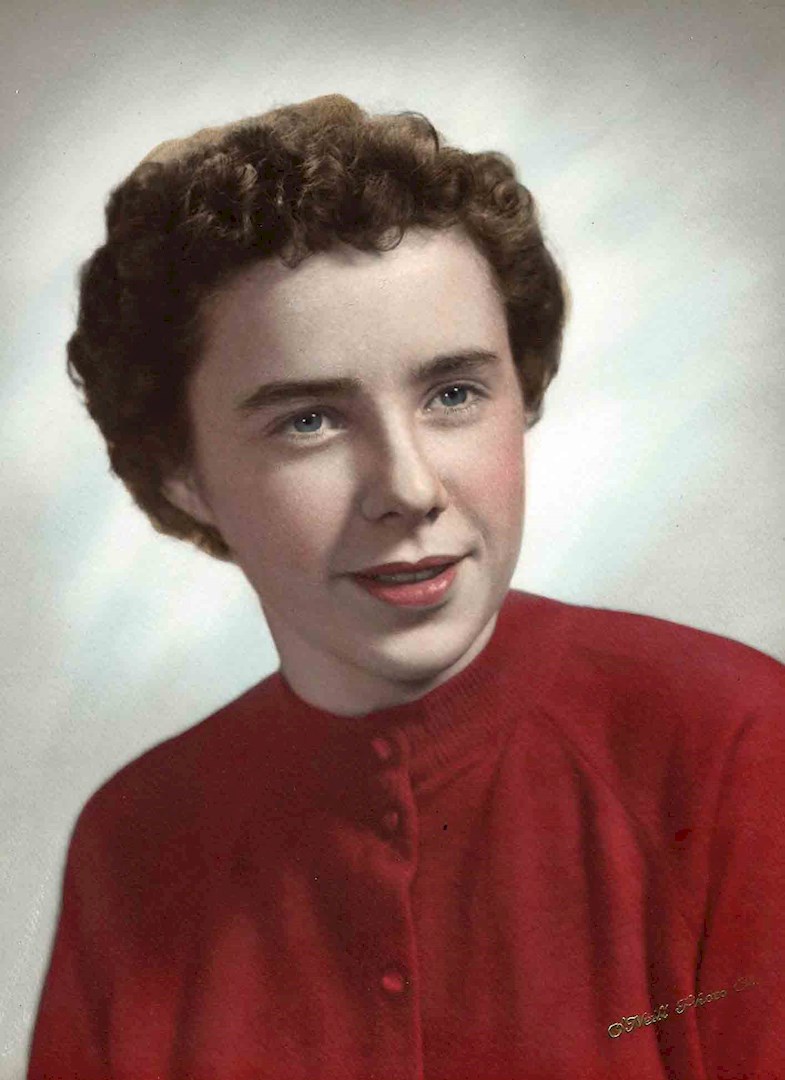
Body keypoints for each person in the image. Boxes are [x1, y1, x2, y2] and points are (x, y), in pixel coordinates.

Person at [28, 94, 785, 1080]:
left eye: (453, 394)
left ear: (520, 395)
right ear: (182, 473)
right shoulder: (135, 842)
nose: (409, 488)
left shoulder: (735, 742)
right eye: (308, 420)